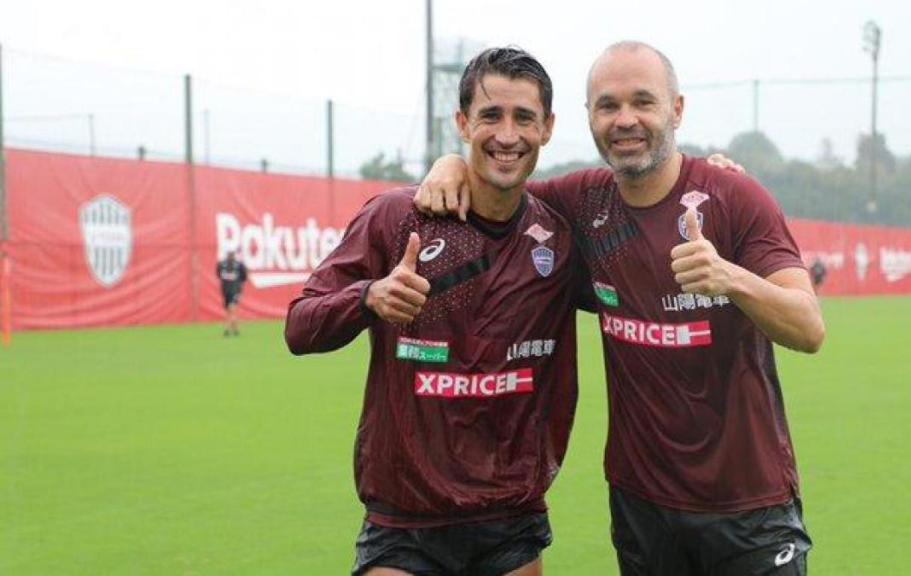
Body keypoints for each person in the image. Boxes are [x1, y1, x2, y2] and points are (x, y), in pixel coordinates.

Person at [416, 41, 825, 576]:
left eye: (643, 102)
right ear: (589, 117)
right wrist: (450, 163)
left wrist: (730, 278)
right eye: (608, 105)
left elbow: (808, 327)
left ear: (676, 110)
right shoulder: (581, 202)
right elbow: (500, 188)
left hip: (748, 504)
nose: (625, 120)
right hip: (641, 506)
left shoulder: (734, 198)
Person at [285, 47, 591, 576]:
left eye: (524, 117)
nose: (508, 135)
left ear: (547, 128)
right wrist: (368, 297)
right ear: (462, 123)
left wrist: (716, 183)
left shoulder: (560, 237)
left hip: (510, 519)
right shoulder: (396, 217)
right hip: (405, 522)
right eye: (491, 115)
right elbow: (300, 326)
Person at [216, 251, 247, 336]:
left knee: (231, 309)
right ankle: (236, 329)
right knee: (229, 310)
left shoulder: (239, 265)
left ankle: (227, 329)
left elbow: (244, 277)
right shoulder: (221, 265)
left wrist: (237, 285)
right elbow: (218, 275)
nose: (230, 257)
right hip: (226, 291)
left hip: (235, 290)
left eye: (231, 255)